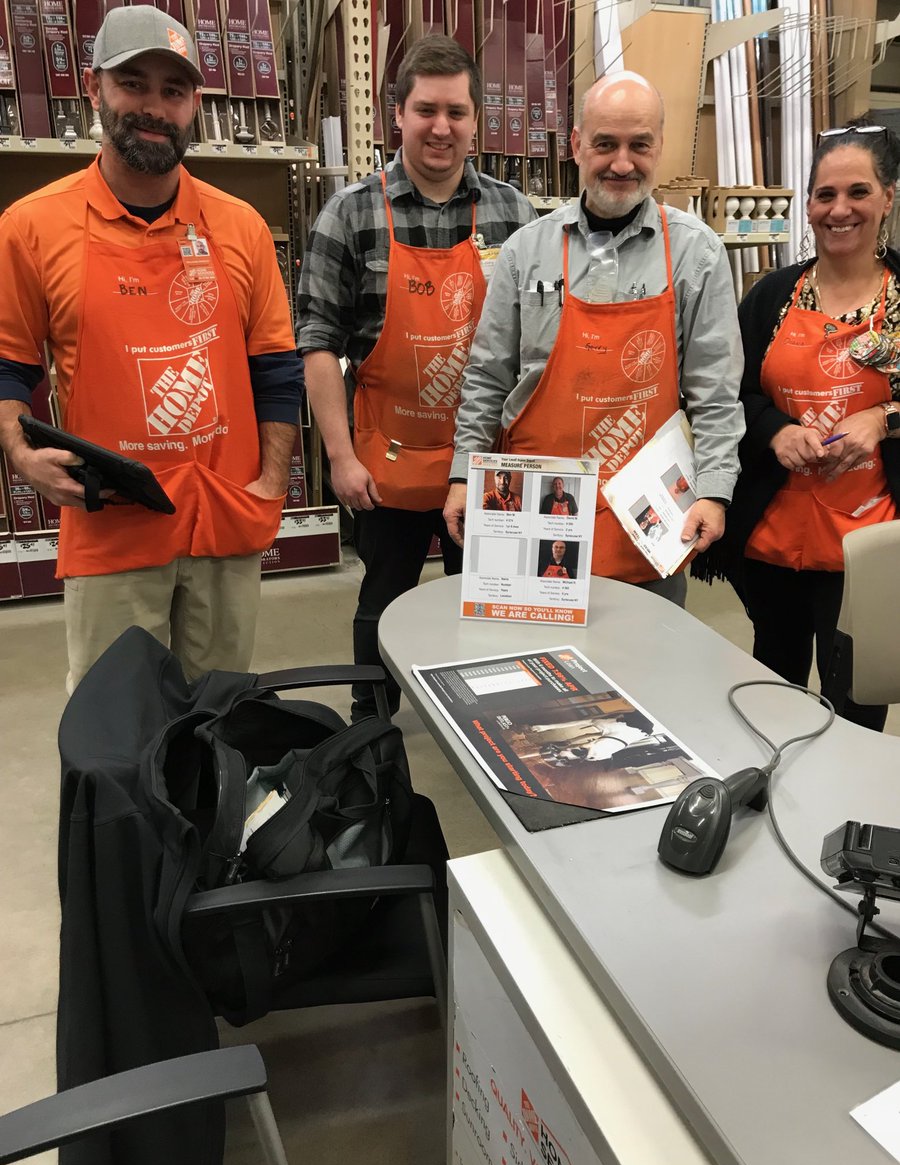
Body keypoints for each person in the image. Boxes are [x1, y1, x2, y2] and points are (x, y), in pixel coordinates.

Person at [0, 6, 301, 692]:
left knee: (219, 713)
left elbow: (277, 369)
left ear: (195, 103)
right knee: (116, 727)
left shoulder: (240, 226)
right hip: (113, 527)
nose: (154, 107)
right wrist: (19, 452)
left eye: (174, 90)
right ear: (93, 89)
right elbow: (8, 367)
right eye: (133, 84)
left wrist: (271, 483)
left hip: (224, 517)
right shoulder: (32, 226)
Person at [297, 35, 535, 717]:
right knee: (385, 603)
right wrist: (338, 458)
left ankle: (480, 721)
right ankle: (369, 730)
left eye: (457, 112)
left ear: (475, 122)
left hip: (485, 460)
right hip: (388, 461)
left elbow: (537, 346)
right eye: (426, 110)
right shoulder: (350, 213)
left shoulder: (514, 215)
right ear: (395, 113)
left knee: (485, 604)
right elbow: (318, 344)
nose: (441, 127)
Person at [444, 71, 745, 607]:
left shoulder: (698, 255)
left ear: (660, 147)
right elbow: (486, 379)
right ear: (576, 144)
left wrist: (715, 491)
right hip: (535, 510)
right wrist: (466, 474)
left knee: (646, 670)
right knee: (535, 675)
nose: (622, 163)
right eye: (605, 143)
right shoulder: (524, 252)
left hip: (648, 521)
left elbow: (715, 391)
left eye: (639, 145)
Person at [694, 122, 900, 732]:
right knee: (773, 696)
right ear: (807, 204)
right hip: (774, 539)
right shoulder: (772, 296)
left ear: (888, 196)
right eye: (824, 195)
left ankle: (846, 823)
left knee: (855, 705)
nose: (840, 210)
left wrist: (883, 418)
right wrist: (774, 433)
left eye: (858, 192)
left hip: (870, 545)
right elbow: (730, 392)